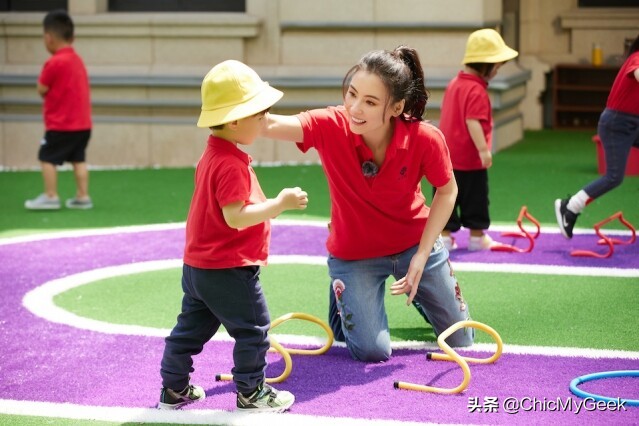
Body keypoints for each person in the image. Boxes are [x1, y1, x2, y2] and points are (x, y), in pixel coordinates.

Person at [264, 46, 473, 362]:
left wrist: (420, 256)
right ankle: (343, 292)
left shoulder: (426, 139)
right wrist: (236, 100)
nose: (355, 108)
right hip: (354, 254)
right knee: (372, 352)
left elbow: (447, 192)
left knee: (462, 339)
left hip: (415, 246)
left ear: (396, 107)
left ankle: (419, 290)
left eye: (370, 102)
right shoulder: (329, 124)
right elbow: (267, 125)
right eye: (352, 94)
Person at [157, 60, 308, 412]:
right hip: (227, 267)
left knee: (188, 333)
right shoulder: (230, 164)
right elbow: (236, 217)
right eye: (259, 114)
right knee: (253, 329)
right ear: (235, 120)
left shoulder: (214, 154)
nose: (265, 119)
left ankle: (173, 389)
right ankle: (252, 392)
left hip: (199, 267)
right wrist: (279, 203)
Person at [435, 29, 518, 251]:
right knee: (476, 198)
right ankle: (476, 237)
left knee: (445, 199)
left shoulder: (455, 84)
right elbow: (473, 121)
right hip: (469, 160)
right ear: (485, 65)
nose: (497, 71)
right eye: (497, 67)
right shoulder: (477, 90)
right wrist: (483, 149)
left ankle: (444, 236)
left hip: (445, 159)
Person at [555, 34, 639, 239]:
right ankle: (570, 207)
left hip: (634, 122)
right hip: (617, 123)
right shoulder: (637, 57)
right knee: (614, 177)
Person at [25, 9, 93, 210]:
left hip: (60, 125)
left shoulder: (54, 63)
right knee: (78, 159)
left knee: (46, 157)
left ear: (49, 38)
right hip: (82, 125)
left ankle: (51, 195)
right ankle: (83, 196)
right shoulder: (77, 60)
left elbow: (41, 88)